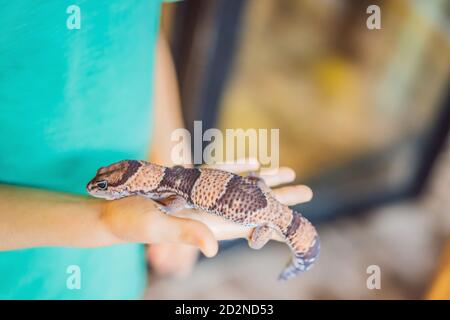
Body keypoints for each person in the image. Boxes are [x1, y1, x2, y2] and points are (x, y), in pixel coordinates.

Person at [0, 0, 313, 299]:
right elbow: (175, 199)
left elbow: (145, 32)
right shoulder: (165, 182)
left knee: (258, 238)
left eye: (105, 185)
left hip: (117, 271)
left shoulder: (166, 185)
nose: (97, 186)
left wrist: (167, 161)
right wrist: (107, 221)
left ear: (133, 182)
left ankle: (302, 259)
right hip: (24, 279)